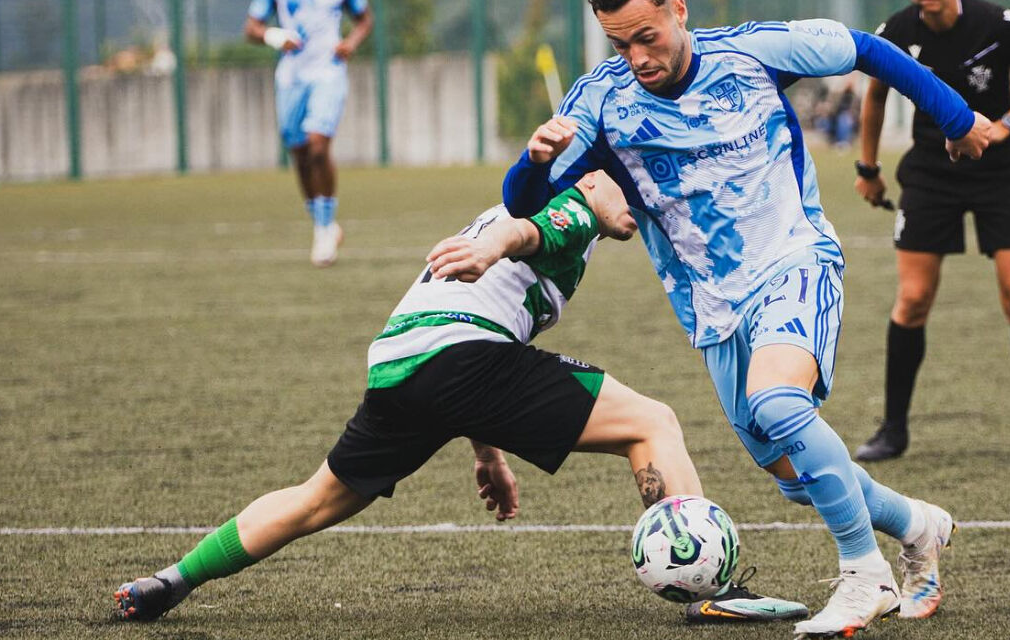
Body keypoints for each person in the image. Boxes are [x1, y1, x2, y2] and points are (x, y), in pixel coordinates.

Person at [502, 0, 992, 637]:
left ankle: (866, 576)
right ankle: (917, 526)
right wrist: (534, 162)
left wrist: (958, 118)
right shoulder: (600, 102)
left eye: (647, 37)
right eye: (620, 44)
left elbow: (865, 49)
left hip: (795, 260)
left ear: (678, 10)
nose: (637, 57)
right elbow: (526, 203)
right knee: (794, 475)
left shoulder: (753, 53)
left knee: (779, 401)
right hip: (712, 307)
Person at [113, 171, 808, 625]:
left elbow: (480, 338)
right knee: (652, 424)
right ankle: (711, 593)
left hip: (400, 363)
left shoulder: (549, 207)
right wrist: (507, 241)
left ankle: (170, 581)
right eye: (631, 188)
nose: (642, 202)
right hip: (457, 355)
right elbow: (529, 232)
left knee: (314, 500)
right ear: (594, 176)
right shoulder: (570, 203)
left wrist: (487, 455)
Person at [852, 0, 1010, 463]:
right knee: (913, 299)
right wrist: (868, 168)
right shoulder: (895, 31)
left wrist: (1005, 126)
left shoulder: (997, 23)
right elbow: (874, 99)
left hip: (1001, 171)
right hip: (930, 172)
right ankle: (893, 431)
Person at [245, 0, 373, 268]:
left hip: (328, 72)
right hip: (292, 77)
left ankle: (324, 229)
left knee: (318, 144)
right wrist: (275, 36)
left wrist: (350, 43)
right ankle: (323, 221)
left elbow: (364, 19)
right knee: (300, 152)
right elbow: (251, 27)